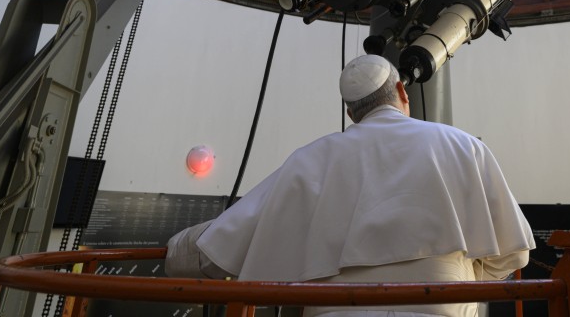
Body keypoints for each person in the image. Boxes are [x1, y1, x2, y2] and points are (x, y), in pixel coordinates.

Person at [166, 54, 534, 316]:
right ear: (402, 91)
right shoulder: (464, 146)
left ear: (350, 112)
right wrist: (461, 275)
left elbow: (220, 248)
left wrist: (174, 250)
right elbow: (513, 254)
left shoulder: (311, 159)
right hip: (444, 305)